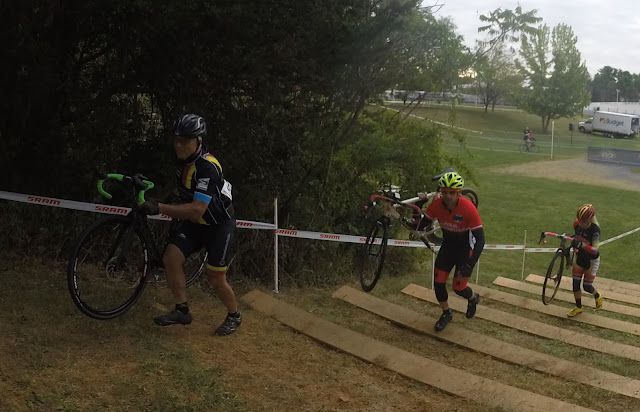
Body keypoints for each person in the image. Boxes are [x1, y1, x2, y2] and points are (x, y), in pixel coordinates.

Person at [139, 113, 242, 336]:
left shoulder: (208, 167)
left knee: (215, 278)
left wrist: (160, 207)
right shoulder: (182, 161)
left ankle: (234, 315)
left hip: (219, 225)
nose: (179, 145)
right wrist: (161, 200)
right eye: (176, 140)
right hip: (196, 224)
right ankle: (182, 310)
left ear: (198, 141)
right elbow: (184, 191)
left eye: (184, 140)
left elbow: (196, 209)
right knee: (171, 258)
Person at [417, 171, 485, 331]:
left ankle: (473, 298)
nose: (447, 196)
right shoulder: (437, 205)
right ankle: (446, 313)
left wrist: (470, 264)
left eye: (452, 193)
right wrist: (420, 204)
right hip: (447, 248)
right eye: (444, 192)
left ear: (459, 193)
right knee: (438, 284)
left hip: (465, 250)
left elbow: (480, 240)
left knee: (459, 288)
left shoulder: (468, 208)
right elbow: (418, 226)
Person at [566, 204, 603, 317]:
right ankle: (578, 307)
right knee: (575, 285)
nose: (580, 223)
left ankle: (597, 295)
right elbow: (577, 235)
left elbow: (595, 250)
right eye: (579, 220)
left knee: (587, 287)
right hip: (580, 258)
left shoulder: (595, 231)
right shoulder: (577, 224)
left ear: (590, 220)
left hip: (591, 261)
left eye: (583, 221)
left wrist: (581, 245)